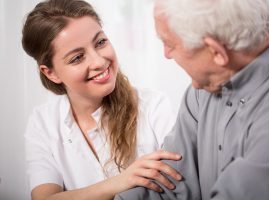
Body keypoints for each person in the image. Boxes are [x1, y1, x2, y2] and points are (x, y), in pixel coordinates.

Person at [115, 0, 269, 199]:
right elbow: (165, 183)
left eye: (169, 43)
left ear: (216, 52)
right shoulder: (204, 88)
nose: (166, 54)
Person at [22, 0, 183, 199]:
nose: (99, 61)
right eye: (77, 58)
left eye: (100, 42)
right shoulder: (43, 122)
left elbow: (180, 185)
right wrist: (122, 181)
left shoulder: (154, 106)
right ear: (51, 73)